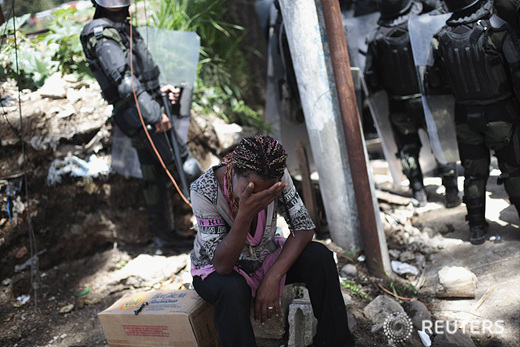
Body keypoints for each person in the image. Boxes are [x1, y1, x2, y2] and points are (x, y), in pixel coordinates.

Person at [189, 135, 355, 346]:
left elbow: (303, 228)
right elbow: (222, 266)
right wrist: (245, 214)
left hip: (264, 259)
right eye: (251, 189)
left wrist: (273, 276)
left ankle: (335, 342)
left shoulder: (277, 176)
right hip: (219, 270)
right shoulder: (204, 190)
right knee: (231, 288)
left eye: (265, 192)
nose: (259, 197)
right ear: (234, 170)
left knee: (320, 257)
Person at [80, 0, 201, 252]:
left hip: (142, 109)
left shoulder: (120, 27)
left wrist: (159, 90)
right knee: (188, 166)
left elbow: (138, 76)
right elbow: (125, 84)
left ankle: (164, 238)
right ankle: (219, 229)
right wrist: (155, 115)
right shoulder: (101, 33)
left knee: (154, 175)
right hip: (140, 114)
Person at [425, 0, 520, 244]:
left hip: (466, 116)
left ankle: (476, 227)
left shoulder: (440, 37)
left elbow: (433, 83)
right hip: (502, 114)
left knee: (473, 174)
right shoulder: (496, 27)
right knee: (513, 171)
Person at [364, 0, 461, 208]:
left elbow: (370, 78)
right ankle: (451, 192)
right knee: (441, 144)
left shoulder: (376, 38)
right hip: (429, 100)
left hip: (399, 106)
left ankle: (418, 192)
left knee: (407, 151)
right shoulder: (421, 26)